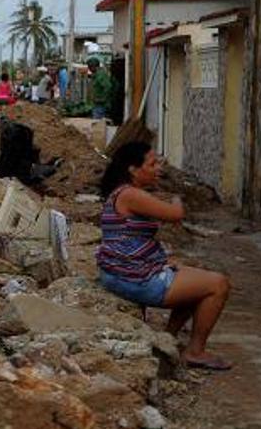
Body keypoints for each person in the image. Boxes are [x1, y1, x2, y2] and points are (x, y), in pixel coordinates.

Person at [97, 141, 232, 370]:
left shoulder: (125, 192)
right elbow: (175, 214)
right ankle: (195, 351)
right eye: (153, 163)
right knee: (219, 284)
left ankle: (167, 338)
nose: (158, 168)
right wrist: (176, 197)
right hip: (133, 277)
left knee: (193, 274)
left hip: (123, 272)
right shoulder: (130, 194)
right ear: (133, 169)